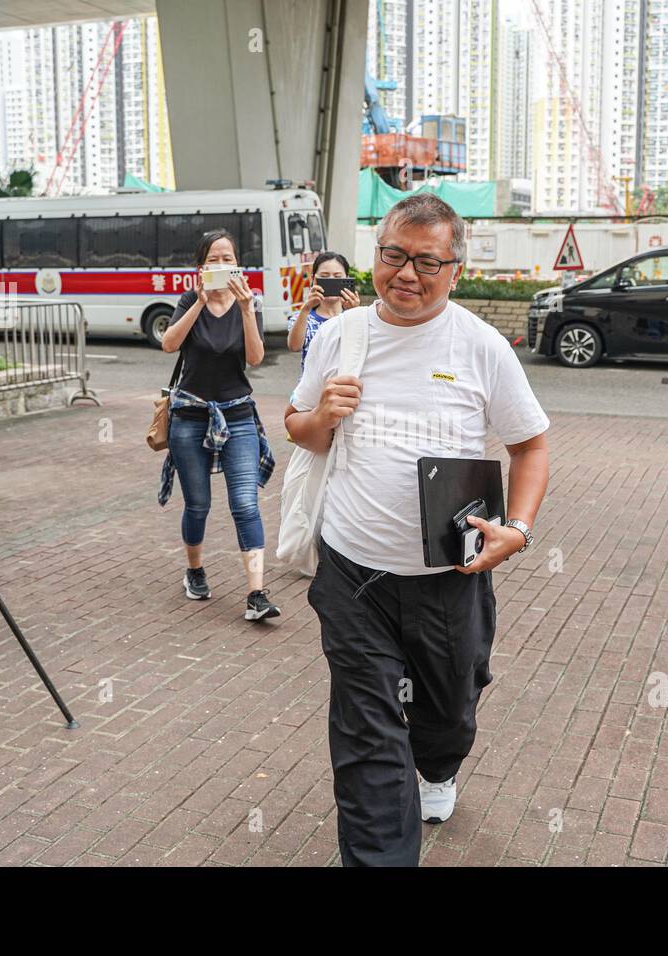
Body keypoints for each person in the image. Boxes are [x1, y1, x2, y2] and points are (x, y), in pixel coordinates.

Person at [285, 194, 550, 865]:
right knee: (369, 738)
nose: (406, 273)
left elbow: (531, 446)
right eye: (393, 256)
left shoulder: (480, 346)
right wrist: (322, 418)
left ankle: (439, 765)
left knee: (447, 715)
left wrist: (517, 528)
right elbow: (297, 427)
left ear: (453, 269)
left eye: (425, 261)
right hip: (354, 576)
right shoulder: (340, 336)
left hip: (449, 576)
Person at [158, 228, 280, 621]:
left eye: (229, 258)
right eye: (215, 259)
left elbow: (255, 358)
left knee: (245, 503)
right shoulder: (189, 300)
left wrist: (245, 310)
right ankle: (194, 569)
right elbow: (169, 344)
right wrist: (199, 300)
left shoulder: (250, 303)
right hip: (190, 417)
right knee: (198, 504)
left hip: (238, 414)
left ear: (238, 265)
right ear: (201, 266)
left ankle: (257, 594)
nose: (223, 265)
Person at [286, 251, 360, 384]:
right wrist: (306, 308)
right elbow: (294, 346)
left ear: (347, 279)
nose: (331, 281)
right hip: (310, 394)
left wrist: (354, 313)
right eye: (325, 277)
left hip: (346, 391)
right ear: (314, 279)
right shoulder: (303, 316)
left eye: (337, 277)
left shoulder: (357, 316)